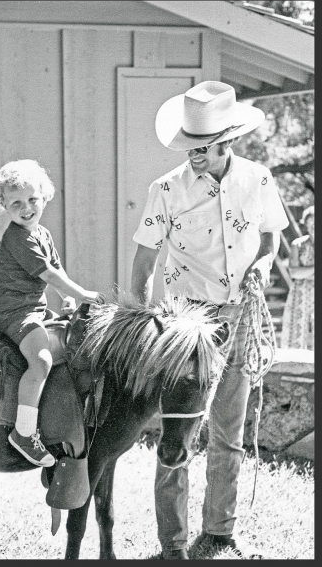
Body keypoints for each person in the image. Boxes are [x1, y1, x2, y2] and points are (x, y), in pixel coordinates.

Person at [130, 81, 289, 559]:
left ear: (227, 142)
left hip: (240, 315)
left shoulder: (258, 179)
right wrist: (144, 328)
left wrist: (262, 265)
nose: (194, 155)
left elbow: (270, 239)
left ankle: (219, 531)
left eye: (203, 148)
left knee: (228, 432)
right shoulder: (166, 189)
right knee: (177, 436)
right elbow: (143, 264)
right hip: (186, 323)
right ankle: (172, 544)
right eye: (190, 147)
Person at [0, 159, 105, 467]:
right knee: (40, 360)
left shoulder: (41, 233)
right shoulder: (18, 237)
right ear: (4, 205)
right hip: (13, 310)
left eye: (32, 200)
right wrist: (80, 293)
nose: (26, 208)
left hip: (33, 309)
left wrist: (67, 298)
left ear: (45, 196)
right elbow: (46, 274)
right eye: (16, 203)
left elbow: (55, 269)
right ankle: (23, 431)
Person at [281, 205, 314, 350]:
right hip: (300, 294)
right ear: (306, 225)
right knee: (296, 332)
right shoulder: (298, 244)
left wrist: (305, 271)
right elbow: (294, 273)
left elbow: (300, 272)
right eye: (311, 223)